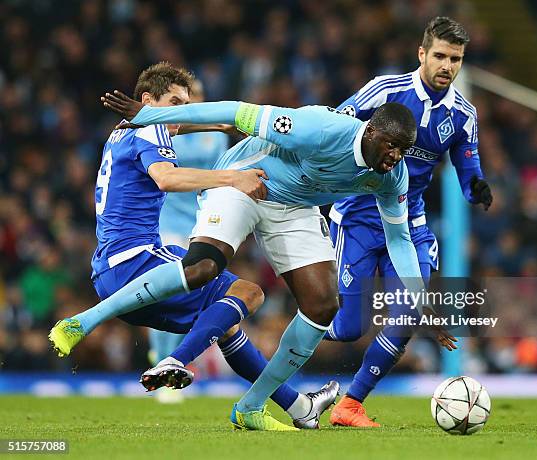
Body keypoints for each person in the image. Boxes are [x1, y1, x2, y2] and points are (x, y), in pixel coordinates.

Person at [94, 88, 457, 431]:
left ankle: (251, 406)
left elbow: (400, 237)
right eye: (391, 146)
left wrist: (417, 298)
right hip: (246, 182)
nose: (396, 156)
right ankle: (129, 336)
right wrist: (152, 116)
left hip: (295, 207)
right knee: (206, 266)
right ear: (372, 131)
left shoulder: (393, 176)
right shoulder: (319, 129)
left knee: (323, 306)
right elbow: (235, 112)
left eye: (403, 150)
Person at [49, 62, 339, 429]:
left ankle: (298, 407)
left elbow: (179, 124)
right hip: (138, 261)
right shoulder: (151, 129)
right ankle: (169, 359)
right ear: (147, 101)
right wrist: (233, 178)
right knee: (248, 292)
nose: (182, 109)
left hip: (109, 268)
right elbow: (166, 178)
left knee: (225, 321)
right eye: (175, 101)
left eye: (187, 102)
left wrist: (218, 123)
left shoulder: (124, 130)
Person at [326, 16, 493, 427]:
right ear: (422, 54)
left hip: (409, 221)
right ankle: (295, 335)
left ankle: (350, 404)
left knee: (410, 311)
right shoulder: (385, 90)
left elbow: (467, 164)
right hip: (358, 219)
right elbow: (335, 124)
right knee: (349, 328)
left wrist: (477, 189)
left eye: (455, 59)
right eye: (439, 56)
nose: (447, 66)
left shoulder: (463, 114)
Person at [148, 79, 228, 404]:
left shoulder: (217, 134)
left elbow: (218, 175)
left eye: (196, 95)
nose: (191, 101)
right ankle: (161, 363)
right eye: (182, 97)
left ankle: (172, 364)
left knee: (191, 293)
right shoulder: (165, 131)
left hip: (200, 220)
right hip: (167, 220)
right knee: (167, 290)